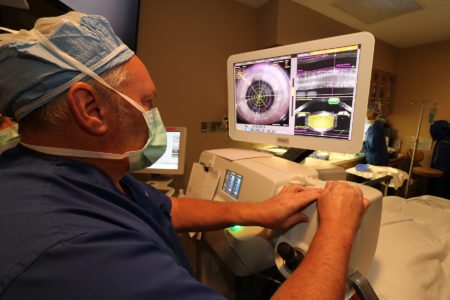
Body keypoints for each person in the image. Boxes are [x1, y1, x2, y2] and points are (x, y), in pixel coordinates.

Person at [0, 12, 369, 300]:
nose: (155, 115)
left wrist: (255, 211)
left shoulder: (80, 171)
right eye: (147, 102)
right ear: (90, 109)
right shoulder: (72, 250)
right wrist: (337, 229)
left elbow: (165, 208)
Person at [363, 102, 389, 166]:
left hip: (376, 161)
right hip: (377, 159)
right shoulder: (376, 124)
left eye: (368, 112)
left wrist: (361, 143)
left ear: (372, 112)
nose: (366, 114)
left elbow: (372, 146)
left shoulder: (375, 126)